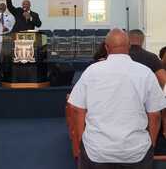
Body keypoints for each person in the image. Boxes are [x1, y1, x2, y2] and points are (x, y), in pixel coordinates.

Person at [68, 28, 166, 169]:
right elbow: (155, 115)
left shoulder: (92, 71)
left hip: (96, 150)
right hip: (136, 151)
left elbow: (76, 109)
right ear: (129, 47)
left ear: (107, 48)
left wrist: (80, 140)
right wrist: (151, 144)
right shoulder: (145, 73)